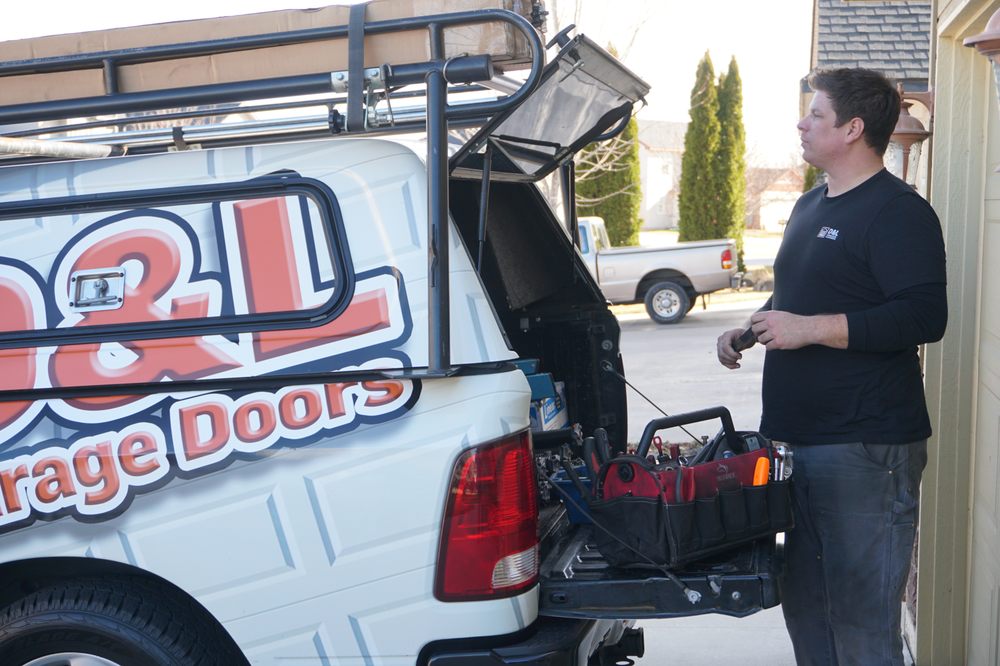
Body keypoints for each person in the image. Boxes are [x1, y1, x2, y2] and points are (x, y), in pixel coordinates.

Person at [716, 67, 947, 666]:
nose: (801, 122)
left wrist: (809, 329)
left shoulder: (898, 212)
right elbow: (805, 292)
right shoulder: (809, 203)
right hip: (800, 443)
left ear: (853, 128)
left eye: (815, 114)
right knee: (807, 608)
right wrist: (752, 326)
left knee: (861, 621)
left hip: (865, 447)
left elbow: (924, 317)